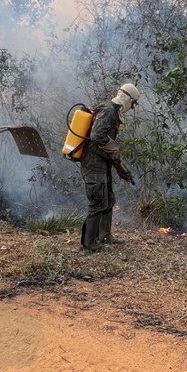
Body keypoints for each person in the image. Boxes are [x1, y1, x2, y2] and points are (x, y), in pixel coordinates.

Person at [79, 83, 138, 252]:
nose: (132, 107)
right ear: (128, 99)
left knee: (109, 199)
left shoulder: (113, 111)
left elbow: (106, 145)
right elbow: (97, 136)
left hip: (102, 163)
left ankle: (105, 235)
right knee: (98, 201)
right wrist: (114, 150)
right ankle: (89, 245)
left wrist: (120, 167)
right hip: (93, 163)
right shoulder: (109, 110)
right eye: (133, 103)